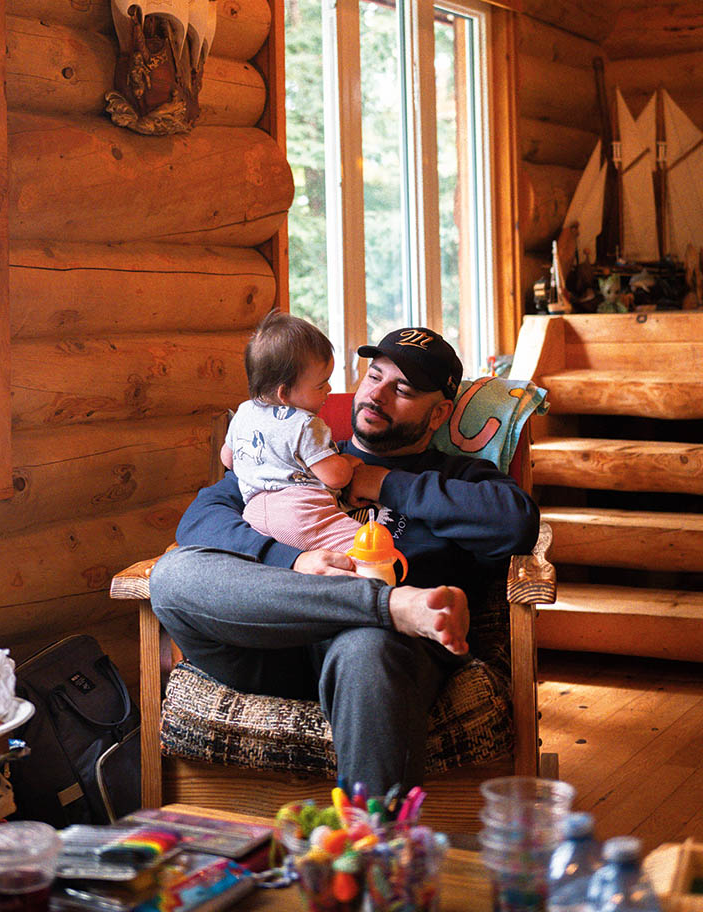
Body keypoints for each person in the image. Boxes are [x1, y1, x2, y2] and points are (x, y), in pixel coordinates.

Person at [150, 325, 540, 794]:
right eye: (374, 376)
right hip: (273, 642)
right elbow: (200, 519)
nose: (377, 395)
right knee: (172, 576)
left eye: (403, 390)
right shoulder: (301, 452)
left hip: (374, 651)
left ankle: (369, 850)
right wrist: (290, 561)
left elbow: (516, 523)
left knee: (368, 648)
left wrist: (385, 484)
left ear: (438, 414)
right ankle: (392, 605)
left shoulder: (455, 476)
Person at [223, 309, 369, 555]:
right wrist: (346, 463)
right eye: (321, 385)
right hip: (300, 511)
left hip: (253, 513)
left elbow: (227, 460)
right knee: (365, 547)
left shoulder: (243, 412)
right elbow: (335, 477)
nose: (329, 389)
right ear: (285, 394)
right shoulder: (305, 423)